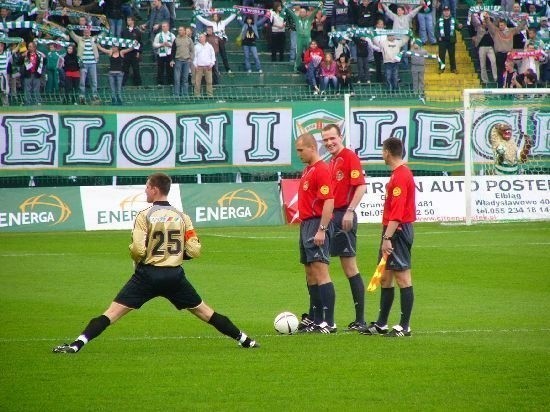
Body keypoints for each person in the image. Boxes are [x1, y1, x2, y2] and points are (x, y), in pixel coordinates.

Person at [53, 172, 259, 354]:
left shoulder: (144, 216)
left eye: (147, 188)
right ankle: (246, 340)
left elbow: (137, 249)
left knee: (112, 314)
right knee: (205, 312)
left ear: (154, 189)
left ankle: (77, 344)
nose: (145, 192)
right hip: (174, 277)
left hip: (147, 276)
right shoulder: (182, 216)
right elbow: (195, 250)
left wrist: (139, 259)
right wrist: (178, 256)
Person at [360, 137, 416, 338]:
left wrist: (387, 237)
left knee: (402, 277)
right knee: (385, 277)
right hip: (391, 230)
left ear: (387, 152)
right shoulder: (397, 174)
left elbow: (398, 212)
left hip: (397, 232)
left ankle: (404, 326)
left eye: (382, 151)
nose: (381, 154)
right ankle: (382, 323)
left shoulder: (401, 176)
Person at [321, 124, 367, 331]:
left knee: (350, 268)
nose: (329, 143)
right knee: (320, 266)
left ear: (340, 137)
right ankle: (322, 317)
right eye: (325, 140)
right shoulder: (332, 161)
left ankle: (360, 320)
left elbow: (361, 185)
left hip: (343, 217)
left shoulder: (349, 157)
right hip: (332, 217)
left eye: (332, 138)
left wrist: (350, 211)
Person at [295, 133, 336, 334]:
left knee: (321, 272)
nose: (299, 154)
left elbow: (329, 200)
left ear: (312, 147)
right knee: (310, 273)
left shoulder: (321, 170)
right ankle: (315, 318)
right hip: (306, 225)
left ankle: (329, 321)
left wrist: (322, 229)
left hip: (316, 224)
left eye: (301, 150)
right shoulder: (307, 170)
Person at [69, 25, 100, 104]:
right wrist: (70, 28)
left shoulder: (93, 39)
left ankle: (95, 96)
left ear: (90, 33)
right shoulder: (80, 39)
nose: (86, 33)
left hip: (93, 63)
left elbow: (103, 35)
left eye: (88, 32)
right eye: (85, 32)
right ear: (83, 33)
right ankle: (81, 96)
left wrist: (105, 29)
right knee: (82, 81)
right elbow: (72, 34)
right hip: (83, 63)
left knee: (94, 81)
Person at [437, 5, 463, 74]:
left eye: (447, 11)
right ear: (443, 12)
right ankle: (441, 68)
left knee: (452, 55)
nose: (446, 12)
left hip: (451, 41)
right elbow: (436, 30)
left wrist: (460, 26)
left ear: (450, 12)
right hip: (442, 41)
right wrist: (438, 36)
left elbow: (458, 27)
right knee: (441, 55)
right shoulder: (439, 20)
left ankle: (453, 69)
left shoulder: (453, 19)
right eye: (445, 11)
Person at [170, 26, 194, 97]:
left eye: (181, 30)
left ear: (184, 31)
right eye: (179, 30)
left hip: (186, 61)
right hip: (178, 61)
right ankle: (176, 94)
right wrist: (172, 60)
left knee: (185, 79)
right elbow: (173, 51)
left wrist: (191, 58)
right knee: (177, 79)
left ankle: (185, 94)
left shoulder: (189, 40)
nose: (179, 31)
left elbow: (192, 50)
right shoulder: (176, 40)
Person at [20, 40, 45, 105]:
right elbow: (19, 62)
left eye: (30, 46)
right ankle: (28, 101)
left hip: (36, 74)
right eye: (28, 46)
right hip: (28, 74)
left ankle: (37, 101)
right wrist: (22, 56)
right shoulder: (26, 54)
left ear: (34, 47)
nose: (29, 48)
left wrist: (44, 57)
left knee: (36, 89)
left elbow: (45, 62)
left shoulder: (38, 55)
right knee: (27, 89)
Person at [121, 16, 142, 86]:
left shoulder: (137, 31)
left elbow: (140, 43)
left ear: (133, 21)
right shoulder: (124, 31)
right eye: (127, 20)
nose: (128, 22)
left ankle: (138, 84)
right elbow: (121, 43)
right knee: (125, 69)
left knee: (136, 69)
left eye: (129, 20)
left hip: (134, 53)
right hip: (126, 53)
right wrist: (122, 51)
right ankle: (123, 84)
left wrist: (139, 52)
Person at [152, 21, 175, 86]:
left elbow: (175, 45)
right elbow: (154, 44)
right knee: (160, 68)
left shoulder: (172, 35)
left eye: (165, 26)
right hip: (161, 54)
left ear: (168, 27)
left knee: (170, 68)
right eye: (163, 26)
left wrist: (169, 45)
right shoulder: (158, 35)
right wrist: (161, 44)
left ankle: (170, 82)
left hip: (169, 54)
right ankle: (160, 82)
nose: (164, 28)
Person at [193, 32, 215, 97]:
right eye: (199, 37)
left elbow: (213, 56)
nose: (200, 38)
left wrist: (211, 64)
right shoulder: (196, 46)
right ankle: (197, 94)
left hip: (208, 66)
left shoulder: (210, 46)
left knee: (209, 81)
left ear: (205, 38)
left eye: (201, 37)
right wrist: (195, 65)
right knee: (197, 82)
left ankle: (210, 94)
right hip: (199, 67)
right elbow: (195, 57)